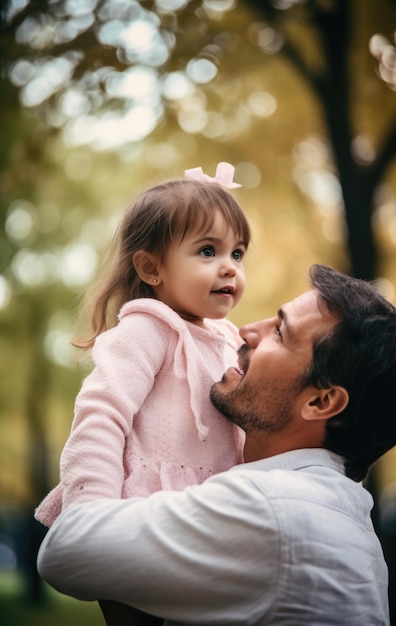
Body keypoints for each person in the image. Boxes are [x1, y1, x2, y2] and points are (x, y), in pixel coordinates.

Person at [37, 264, 396, 625]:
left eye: (280, 334)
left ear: (321, 402)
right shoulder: (337, 513)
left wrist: (108, 403)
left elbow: (67, 550)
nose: (246, 331)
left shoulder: (270, 510)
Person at [34, 162, 251, 626]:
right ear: (152, 268)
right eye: (208, 251)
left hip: (208, 513)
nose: (229, 267)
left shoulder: (231, 340)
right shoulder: (145, 331)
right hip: (136, 511)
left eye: (238, 253)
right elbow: (101, 413)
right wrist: (91, 504)